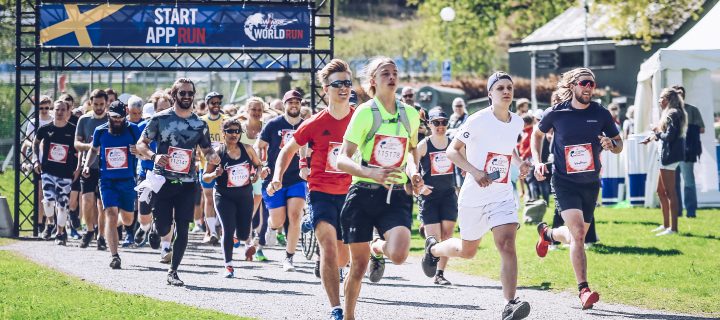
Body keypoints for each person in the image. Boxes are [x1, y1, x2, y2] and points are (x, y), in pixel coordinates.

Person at [421, 72, 532, 319]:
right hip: (475, 194)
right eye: (500, 88)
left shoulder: (516, 122)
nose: (506, 91)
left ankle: (510, 303)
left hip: (502, 194)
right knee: (468, 251)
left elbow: (507, 146)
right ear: (490, 94)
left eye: (509, 87)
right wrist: (475, 171)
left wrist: (519, 162)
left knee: (507, 244)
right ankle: (434, 250)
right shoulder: (477, 120)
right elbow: (452, 151)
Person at [336, 57, 422, 320]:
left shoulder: (410, 114)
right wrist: (369, 171)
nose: (392, 76)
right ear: (373, 81)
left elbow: (411, 150)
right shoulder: (365, 113)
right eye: (385, 73)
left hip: (394, 194)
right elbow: (341, 158)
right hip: (362, 193)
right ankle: (349, 316)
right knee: (359, 266)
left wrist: (414, 172)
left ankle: (377, 247)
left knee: (398, 254)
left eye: (395, 72)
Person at [532, 67, 623, 310]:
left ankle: (548, 235)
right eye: (584, 83)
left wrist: (610, 144)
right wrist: (537, 161)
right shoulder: (557, 113)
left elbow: (619, 144)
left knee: (575, 235)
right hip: (564, 181)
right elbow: (536, 135)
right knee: (579, 236)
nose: (588, 88)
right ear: (573, 85)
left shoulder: (601, 113)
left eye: (592, 84)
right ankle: (583, 290)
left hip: (591, 183)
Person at [269, 59, 353, 319]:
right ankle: (336, 308)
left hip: (351, 193)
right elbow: (287, 150)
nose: (344, 88)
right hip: (321, 192)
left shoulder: (359, 118)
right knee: (328, 248)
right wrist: (277, 176)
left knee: (343, 257)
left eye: (348, 83)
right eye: (338, 83)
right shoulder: (315, 122)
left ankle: (311, 227)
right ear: (325, 88)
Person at [137, 78, 219, 286]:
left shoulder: (199, 124)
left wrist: (213, 157)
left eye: (190, 93)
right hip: (163, 180)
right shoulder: (160, 119)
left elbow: (206, 148)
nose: (187, 97)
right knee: (165, 225)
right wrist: (153, 156)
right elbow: (141, 144)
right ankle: (157, 229)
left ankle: (173, 271)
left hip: (188, 182)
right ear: (174, 95)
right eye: (182, 93)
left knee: (183, 228)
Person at [82, 101, 141, 269]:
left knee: (128, 220)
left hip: (127, 180)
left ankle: (117, 225)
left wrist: (137, 150)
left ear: (126, 115)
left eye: (120, 118)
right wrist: (87, 165)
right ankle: (115, 256)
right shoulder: (100, 131)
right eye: (114, 117)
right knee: (110, 213)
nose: (117, 121)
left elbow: (143, 148)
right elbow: (93, 150)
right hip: (106, 180)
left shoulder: (132, 129)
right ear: (109, 114)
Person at [203, 119, 264, 278]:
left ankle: (240, 237)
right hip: (224, 196)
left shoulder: (248, 149)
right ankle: (228, 265)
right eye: (230, 131)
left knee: (244, 234)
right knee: (228, 229)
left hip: (244, 195)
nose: (234, 134)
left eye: (237, 131)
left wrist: (257, 175)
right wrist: (214, 174)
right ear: (223, 133)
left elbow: (259, 165)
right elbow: (205, 177)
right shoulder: (217, 152)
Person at [257, 90, 307, 272]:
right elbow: (259, 146)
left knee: (295, 216)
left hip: (297, 178)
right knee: (278, 220)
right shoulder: (273, 125)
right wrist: (261, 165)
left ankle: (289, 258)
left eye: (297, 102)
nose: (294, 105)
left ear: (300, 104)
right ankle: (272, 227)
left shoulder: (306, 125)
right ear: (285, 104)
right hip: (274, 180)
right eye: (290, 102)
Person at [416, 107, 458, 286]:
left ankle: (440, 274)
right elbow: (410, 169)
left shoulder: (453, 143)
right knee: (434, 239)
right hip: (430, 197)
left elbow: (464, 164)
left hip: (448, 195)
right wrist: (420, 187)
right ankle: (429, 252)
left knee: (447, 236)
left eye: (443, 122)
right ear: (429, 124)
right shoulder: (424, 144)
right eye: (436, 123)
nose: (440, 126)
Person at [32, 100, 80, 246]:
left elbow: (79, 151)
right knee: (48, 201)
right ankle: (50, 223)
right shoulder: (45, 128)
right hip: (47, 170)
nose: (59, 112)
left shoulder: (73, 130)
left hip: (65, 173)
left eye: (62, 110)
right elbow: (35, 142)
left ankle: (60, 233)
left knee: (62, 204)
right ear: (54, 111)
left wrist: (78, 168)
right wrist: (36, 160)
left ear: (68, 112)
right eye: (57, 109)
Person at [641, 88, 686, 236]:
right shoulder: (670, 113)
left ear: (668, 99)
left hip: (670, 157)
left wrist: (657, 131)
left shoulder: (673, 113)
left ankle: (673, 228)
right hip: (666, 156)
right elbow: (663, 133)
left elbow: (669, 136)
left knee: (670, 192)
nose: (659, 100)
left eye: (661, 98)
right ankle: (666, 225)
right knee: (660, 191)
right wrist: (652, 136)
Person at [133, 91, 172, 247]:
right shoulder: (145, 126)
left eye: (167, 109)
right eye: (160, 109)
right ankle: (144, 227)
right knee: (144, 213)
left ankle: (164, 242)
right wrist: (148, 156)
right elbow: (138, 147)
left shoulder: (177, 127)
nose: (163, 112)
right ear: (155, 110)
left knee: (166, 211)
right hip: (147, 175)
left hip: (168, 176)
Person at [75, 89, 110, 250]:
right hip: (88, 166)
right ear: (90, 103)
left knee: (102, 204)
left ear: (107, 103)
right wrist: (92, 146)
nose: (99, 107)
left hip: (106, 168)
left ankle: (101, 235)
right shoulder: (84, 120)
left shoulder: (112, 120)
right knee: (87, 200)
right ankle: (89, 229)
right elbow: (76, 143)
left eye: (102, 104)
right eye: (96, 104)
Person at [240, 97, 269, 261]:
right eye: (253, 109)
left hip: (263, 173)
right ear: (247, 110)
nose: (257, 113)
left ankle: (258, 245)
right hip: (242, 174)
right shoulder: (240, 129)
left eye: (259, 109)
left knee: (263, 211)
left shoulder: (266, 128)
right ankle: (247, 241)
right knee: (248, 210)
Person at [672, 85, 704, 218]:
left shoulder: (693, 110)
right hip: (672, 152)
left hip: (687, 151)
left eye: (681, 93)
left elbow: (701, 129)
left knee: (688, 182)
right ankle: (677, 212)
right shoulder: (669, 110)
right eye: (677, 93)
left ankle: (691, 212)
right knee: (674, 184)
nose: (680, 95)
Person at [199, 92, 226, 245]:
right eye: (213, 103)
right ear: (207, 104)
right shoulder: (201, 122)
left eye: (218, 103)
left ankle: (221, 230)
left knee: (221, 199)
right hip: (205, 166)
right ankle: (211, 232)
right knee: (208, 198)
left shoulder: (226, 121)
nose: (216, 105)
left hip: (223, 167)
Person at [447, 97, 468, 193]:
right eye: (456, 106)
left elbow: (461, 132)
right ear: (453, 107)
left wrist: (451, 132)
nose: (458, 108)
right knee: (455, 181)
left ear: (464, 106)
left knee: (463, 179)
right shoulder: (452, 118)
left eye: (460, 106)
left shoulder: (467, 118)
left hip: (463, 153)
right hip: (452, 152)